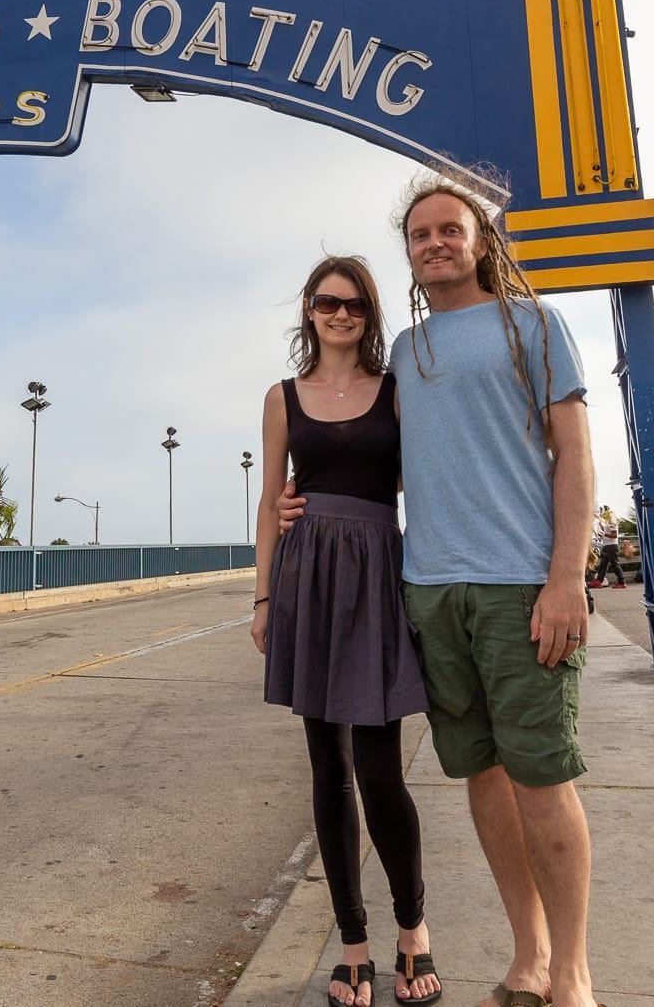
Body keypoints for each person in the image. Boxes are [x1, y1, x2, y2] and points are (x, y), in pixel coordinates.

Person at [282, 172, 599, 1007]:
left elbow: (576, 454)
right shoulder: (406, 360)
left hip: (520, 585)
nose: (435, 242)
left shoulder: (534, 323)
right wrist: (296, 500)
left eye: (449, 229)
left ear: (481, 240)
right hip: (426, 589)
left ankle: (572, 974)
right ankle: (527, 956)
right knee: (483, 778)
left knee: (541, 776)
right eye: (420, 234)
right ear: (411, 254)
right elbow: (353, 446)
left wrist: (567, 574)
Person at [252, 254, 437, 1007]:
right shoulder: (281, 396)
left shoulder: (396, 392)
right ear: (308, 308)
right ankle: (353, 940)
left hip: (375, 576)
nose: (340, 314)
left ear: (369, 314)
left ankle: (413, 929)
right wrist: (262, 596)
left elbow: (418, 478)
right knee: (327, 767)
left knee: (381, 766)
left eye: (354, 305)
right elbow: (272, 501)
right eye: (328, 302)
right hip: (306, 580)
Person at [588, 507, 624, 589]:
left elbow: (615, 535)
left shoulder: (612, 523)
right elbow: (598, 518)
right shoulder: (607, 523)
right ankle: (599, 581)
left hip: (611, 546)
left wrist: (603, 534)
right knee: (603, 565)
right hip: (607, 546)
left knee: (615, 565)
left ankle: (622, 582)